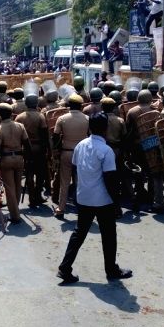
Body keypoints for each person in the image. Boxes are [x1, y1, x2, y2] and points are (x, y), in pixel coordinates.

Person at [57, 112, 132, 284]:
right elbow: (110, 179)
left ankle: (65, 267)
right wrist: (116, 203)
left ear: (89, 127)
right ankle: (111, 269)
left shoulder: (80, 146)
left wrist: (79, 190)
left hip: (84, 197)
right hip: (102, 199)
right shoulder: (106, 151)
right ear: (105, 129)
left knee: (79, 233)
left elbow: (76, 169)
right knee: (109, 234)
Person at [0, 103, 32, 224]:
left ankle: (15, 216)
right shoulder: (20, 126)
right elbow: (27, 144)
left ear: (0, 115)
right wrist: (28, 158)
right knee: (17, 185)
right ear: (11, 114)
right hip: (19, 158)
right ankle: (15, 209)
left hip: (6, 159)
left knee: (9, 188)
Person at [53, 94, 90, 219]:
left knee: (64, 182)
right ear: (80, 105)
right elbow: (90, 136)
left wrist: (57, 151)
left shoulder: (62, 118)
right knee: (80, 182)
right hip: (82, 154)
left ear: (69, 105)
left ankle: (61, 209)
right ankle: (82, 208)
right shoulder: (87, 119)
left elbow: (55, 137)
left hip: (66, 152)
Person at [14, 93, 49, 207]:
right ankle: (38, 195)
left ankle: (32, 197)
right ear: (36, 103)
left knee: (29, 172)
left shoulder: (19, 117)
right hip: (38, 147)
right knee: (40, 173)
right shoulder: (40, 116)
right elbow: (44, 134)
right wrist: (46, 149)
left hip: (25, 148)